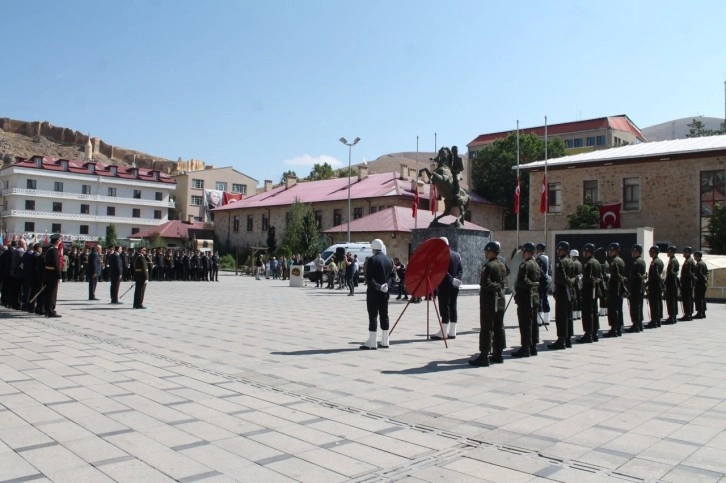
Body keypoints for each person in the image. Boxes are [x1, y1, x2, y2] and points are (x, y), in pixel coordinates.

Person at [470, 241, 506, 366]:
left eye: (486, 251)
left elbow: (485, 283)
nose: (485, 253)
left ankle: (484, 356)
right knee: (499, 326)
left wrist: (495, 286)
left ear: (491, 251)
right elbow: (506, 275)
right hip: (500, 300)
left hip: (489, 301)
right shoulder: (502, 264)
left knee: (486, 328)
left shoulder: (488, 266)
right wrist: (499, 286)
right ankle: (498, 354)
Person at [360, 239, 393, 350]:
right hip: (385, 293)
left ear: (373, 248)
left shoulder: (372, 260)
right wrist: (387, 285)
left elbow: (369, 278)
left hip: (374, 293)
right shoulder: (389, 260)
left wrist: (379, 286)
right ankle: (385, 341)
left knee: (373, 315)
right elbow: (393, 277)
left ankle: (372, 342)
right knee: (384, 315)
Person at [431, 237, 463, 340]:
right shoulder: (457, 255)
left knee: (445, 308)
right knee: (453, 306)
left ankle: (443, 332)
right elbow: (460, 270)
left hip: (445, 285)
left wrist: (451, 279)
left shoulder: (440, 256)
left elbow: (442, 271)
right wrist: (457, 279)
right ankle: (453, 332)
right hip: (455, 286)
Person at [512, 242, 540, 357]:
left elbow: (522, 282)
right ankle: (533, 347)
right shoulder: (536, 264)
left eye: (523, 251)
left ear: (526, 252)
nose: (522, 254)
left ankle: (525, 348)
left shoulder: (525, 265)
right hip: (533, 298)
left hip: (525, 298)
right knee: (533, 323)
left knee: (525, 324)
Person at [549, 241, 574, 350]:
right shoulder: (571, 261)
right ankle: (568, 339)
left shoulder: (561, 262)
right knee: (568, 316)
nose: (558, 252)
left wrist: (570, 281)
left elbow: (564, 279)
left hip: (563, 292)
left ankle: (561, 340)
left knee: (561, 317)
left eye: (559, 250)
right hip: (570, 292)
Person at [578, 243, 601, 343]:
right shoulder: (597, 262)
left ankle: (588, 334)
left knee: (587, 313)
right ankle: (595, 333)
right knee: (594, 311)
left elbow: (588, 278)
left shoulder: (589, 263)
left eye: (584, 251)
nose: (583, 253)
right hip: (595, 291)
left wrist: (581, 279)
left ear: (588, 252)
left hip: (588, 290)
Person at [604, 243, 626, 338]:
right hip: (619, 288)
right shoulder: (621, 260)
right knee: (619, 308)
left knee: (613, 309)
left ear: (615, 251)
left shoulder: (614, 261)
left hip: (614, 287)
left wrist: (609, 276)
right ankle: (618, 328)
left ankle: (614, 328)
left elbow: (616, 275)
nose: (609, 252)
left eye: (611, 250)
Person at [626, 244, 647, 333]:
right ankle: (639, 324)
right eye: (632, 251)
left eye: (634, 251)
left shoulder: (636, 262)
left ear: (638, 252)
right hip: (639, 287)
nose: (633, 253)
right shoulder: (642, 261)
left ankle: (636, 325)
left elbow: (636, 275)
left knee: (635, 307)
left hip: (635, 286)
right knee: (639, 306)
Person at [43, 234, 63, 317]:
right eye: (60, 240)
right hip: (53, 275)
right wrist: (59, 276)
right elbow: (56, 265)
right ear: (57, 241)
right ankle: (51, 310)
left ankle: (47, 309)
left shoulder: (49, 250)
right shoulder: (54, 251)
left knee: (48, 293)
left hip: (48, 273)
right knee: (52, 293)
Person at [535, 243, 551, 329]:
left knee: (539, 300)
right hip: (546, 281)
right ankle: (547, 319)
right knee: (545, 299)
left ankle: (539, 320)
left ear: (538, 249)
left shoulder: (539, 258)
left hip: (540, 281)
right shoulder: (548, 258)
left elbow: (539, 271)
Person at [663, 246, 679, 324]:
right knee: (672, 300)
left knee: (671, 300)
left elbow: (672, 273)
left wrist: (666, 281)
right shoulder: (672, 260)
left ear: (672, 252)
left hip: (671, 283)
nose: (668, 253)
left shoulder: (673, 261)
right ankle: (673, 316)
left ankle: (672, 316)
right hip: (672, 282)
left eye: (669, 252)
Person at [679, 246, 696, 321]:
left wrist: (682, 281)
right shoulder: (689, 260)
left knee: (687, 299)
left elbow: (688, 273)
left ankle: (688, 314)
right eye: (684, 252)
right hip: (688, 283)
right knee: (688, 298)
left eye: (686, 252)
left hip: (687, 283)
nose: (684, 253)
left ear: (689, 253)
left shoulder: (688, 261)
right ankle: (688, 314)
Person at [570, 249, 582, 321]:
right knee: (579, 298)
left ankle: (574, 315)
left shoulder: (573, 263)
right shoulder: (580, 263)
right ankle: (578, 314)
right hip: (579, 282)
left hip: (574, 282)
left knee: (574, 299)